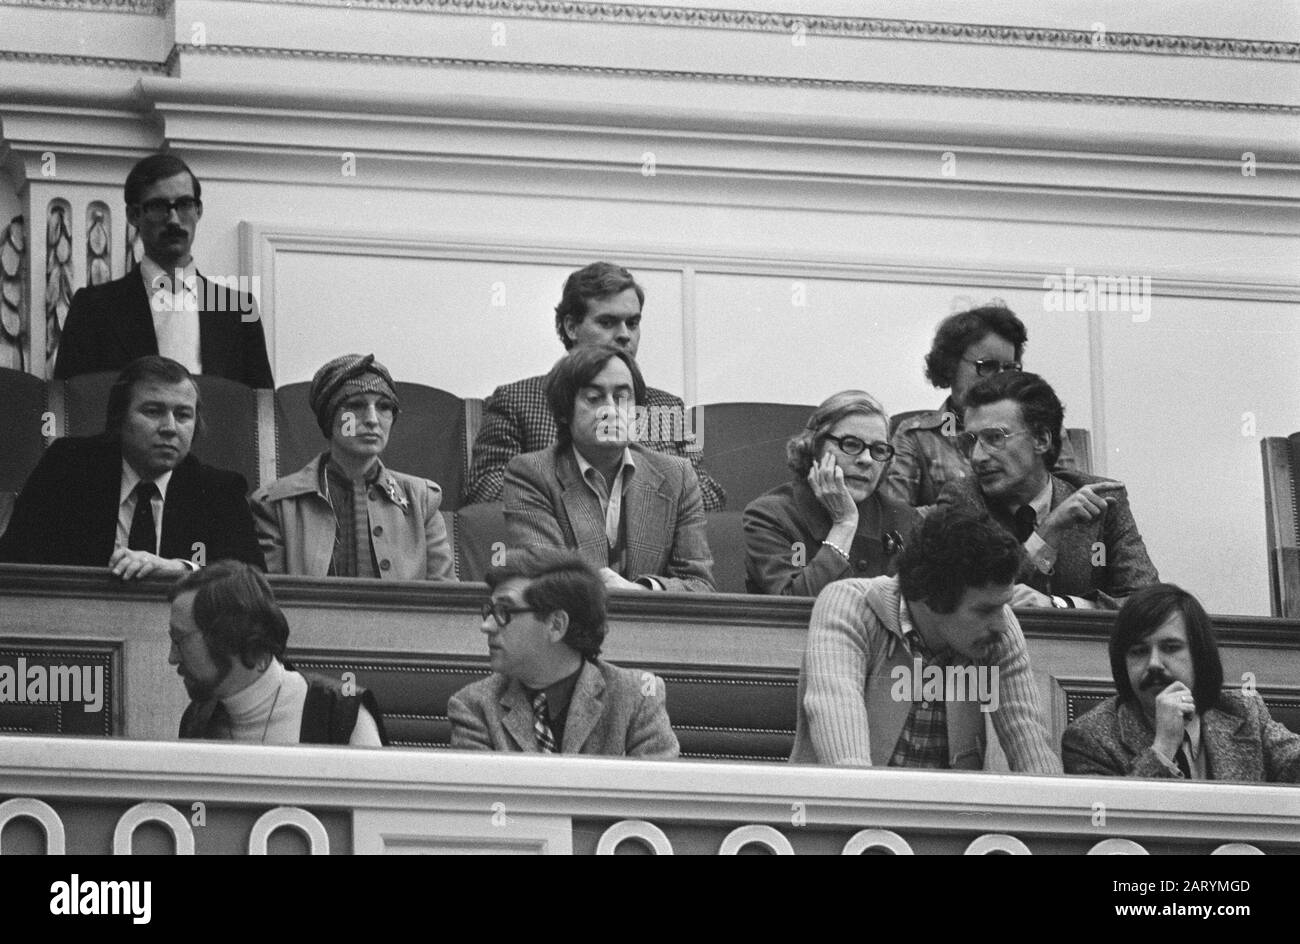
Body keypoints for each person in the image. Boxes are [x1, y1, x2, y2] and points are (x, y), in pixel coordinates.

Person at [791, 505, 1061, 772]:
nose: (1002, 624)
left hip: (949, 814)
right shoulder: (849, 606)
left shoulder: (997, 631)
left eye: (1004, 605)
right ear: (931, 597)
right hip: (847, 812)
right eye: (984, 610)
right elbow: (845, 761)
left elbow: (1031, 746)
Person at [463, 261, 724, 510]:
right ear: (572, 327)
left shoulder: (667, 408)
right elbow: (486, 490)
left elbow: (710, 497)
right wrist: (590, 496)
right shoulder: (517, 401)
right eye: (607, 322)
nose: (625, 334)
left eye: (632, 323)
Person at [0, 355, 263, 577]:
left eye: (183, 415)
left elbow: (252, 578)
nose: (170, 428)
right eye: (153, 411)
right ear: (119, 419)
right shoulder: (67, 469)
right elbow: (15, 562)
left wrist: (182, 568)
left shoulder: (219, 490)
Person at [937, 370, 1158, 609]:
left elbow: (1148, 606)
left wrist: (1061, 605)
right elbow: (972, 603)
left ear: (1041, 440)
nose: (977, 457)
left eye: (994, 438)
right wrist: (1047, 533)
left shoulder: (1102, 500)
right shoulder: (962, 501)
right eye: (970, 441)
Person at [503, 344, 714, 592]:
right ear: (563, 412)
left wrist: (643, 592)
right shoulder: (531, 474)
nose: (612, 411)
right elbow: (548, 581)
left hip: (652, 628)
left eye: (623, 399)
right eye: (594, 398)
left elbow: (700, 585)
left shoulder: (677, 475)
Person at [54, 153, 273, 388]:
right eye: (159, 206)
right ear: (133, 215)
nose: (173, 220)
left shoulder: (239, 310)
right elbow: (71, 406)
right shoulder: (92, 309)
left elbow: (262, 411)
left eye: (185, 204)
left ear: (198, 211)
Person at [447, 549, 679, 757]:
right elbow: (484, 801)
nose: (486, 626)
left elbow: (658, 800)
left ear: (556, 625)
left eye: (503, 611)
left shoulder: (638, 697)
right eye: (489, 611)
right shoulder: (474, 706)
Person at [1063, 584, 1299, 781]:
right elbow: (1114, 825)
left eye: (1170, 648)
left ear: (1199, 654)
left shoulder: (1244, 711)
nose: (1154, 663)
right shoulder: (1090, 739)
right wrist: (1163, 747)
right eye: (1138, 651)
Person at [250, 354, 454, 580]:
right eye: (355, 405)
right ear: (329, 417)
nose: (373, 419)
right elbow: (274, 601)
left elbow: (444, 602)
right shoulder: (277, 505)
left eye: (385, 407)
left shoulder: (421, 500)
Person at [881, 304, 1074, 512]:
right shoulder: (917, 436)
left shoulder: (1038, 426)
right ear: (950, 365)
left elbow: (1068, 499)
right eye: (987, 366)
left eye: (1010, 368)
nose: (1000, 377)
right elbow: (896, 518)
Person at [169, 560, 386, 745]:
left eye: (180, 640)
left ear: (229, 638)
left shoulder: (341, 716)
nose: (172, 657)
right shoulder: (197, 719)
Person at [743, 390, 919, 596]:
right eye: (851, 444)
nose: (867, 460)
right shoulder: (771, 515)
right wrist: (844, 524)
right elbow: (792, 607)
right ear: (814, 447)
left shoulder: (904, 518)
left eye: (879, 450)